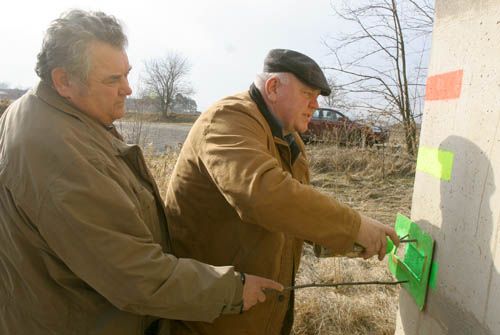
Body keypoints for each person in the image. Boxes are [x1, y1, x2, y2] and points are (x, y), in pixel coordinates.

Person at [0, 10, 283, 335]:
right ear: (63, 80)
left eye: (126, 74)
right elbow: (130, 273)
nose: (129, 89)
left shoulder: (53, 114)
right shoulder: (55, 150)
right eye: (112, 80)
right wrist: (232, 290)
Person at [165, 49, 400, 335]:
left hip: (258, 310)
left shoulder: (291, 140)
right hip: (211, 316)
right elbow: (264, 195)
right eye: (307, 94)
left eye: (317, 97)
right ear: (273, 87)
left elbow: (293, 217)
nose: (315, 105)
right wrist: (354, 226)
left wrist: (348, 242)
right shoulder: (228, 118)